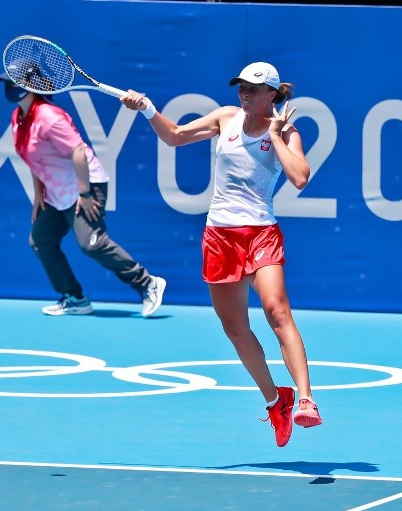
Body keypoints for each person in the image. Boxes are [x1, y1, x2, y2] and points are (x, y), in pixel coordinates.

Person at [120, 62, 322, 447]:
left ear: (273, 95)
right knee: (234, 329)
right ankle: (275, 400)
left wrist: (277, 137)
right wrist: (146, 108)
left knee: (278, 312)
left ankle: (307, 400)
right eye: (241, 86)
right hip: (219, 237)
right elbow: (175, 136)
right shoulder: (225, 118)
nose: (244, 93)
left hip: (261, 232)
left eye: (254, 88)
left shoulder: (287, 132)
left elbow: (300, 177)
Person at [0, 62, 166, 318]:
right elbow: (33, 159)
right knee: (41, 240)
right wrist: (38, 194)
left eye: (13, 82)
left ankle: (147, 283)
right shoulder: (19, 118)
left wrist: (84, 193)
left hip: (84, 184)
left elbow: (77, 151)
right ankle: (74, 297)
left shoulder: (49, 117)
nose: (8, 88)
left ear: (28, 86)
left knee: (91, 243)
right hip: (54, 192)